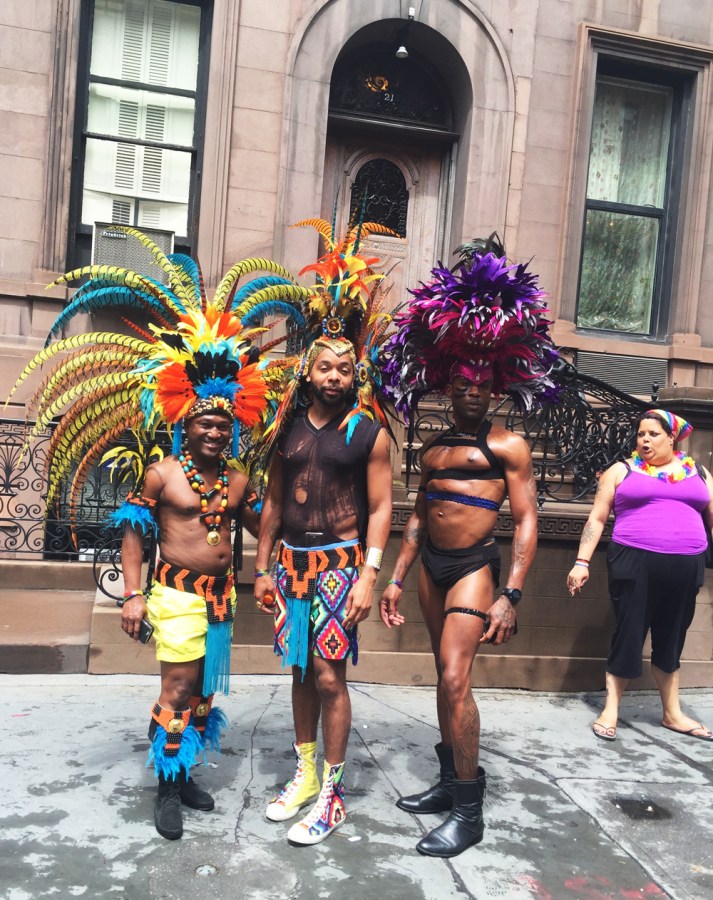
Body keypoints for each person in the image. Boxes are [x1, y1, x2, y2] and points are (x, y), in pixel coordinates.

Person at [5, 229, 311, 840]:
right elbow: (134, 534)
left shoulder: (239, 480)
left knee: (200, 694)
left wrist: (291, 511)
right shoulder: (163, 474)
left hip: (220, 600)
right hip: (174, 595)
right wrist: (133, 594)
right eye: (204, 423)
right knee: (177, 687)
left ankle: (183, 772)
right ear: (185, 425)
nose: (215, 432)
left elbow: (267, 527)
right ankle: (168, 790)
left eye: (223, 424)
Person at [379, 237, 557, 858]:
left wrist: (511, 595)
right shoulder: (432, 448)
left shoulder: (508, 446)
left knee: (457, 676)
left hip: (474, 568)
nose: (474, 390)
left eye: (484, 383)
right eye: (465, 382)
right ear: (450, 386)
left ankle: (469, 811)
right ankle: (448, 781)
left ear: (495, 389)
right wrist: (396, 577)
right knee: (443, 674)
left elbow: (527, 521)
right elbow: (418, 519)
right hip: (430, 568)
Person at [252, 216, 396, 846]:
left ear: (354, 374)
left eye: (344, 368)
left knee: (331, 676)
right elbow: (272, 501)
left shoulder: (368, 431)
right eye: (325, 368)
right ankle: (305, 773)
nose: (334, 377)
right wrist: (261, 567)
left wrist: (370, 575)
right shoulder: (285, 428)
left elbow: (382, 508)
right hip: (289, 566)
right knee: (299, 671)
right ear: (307, 372)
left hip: (340, 566)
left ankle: (333, 796)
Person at [567, 408, 713, 743]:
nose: (644, 440)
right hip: (634, 561)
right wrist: (581, 562)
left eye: (653, 434)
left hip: (686, 565)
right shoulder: (622, 470)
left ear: (672, 438)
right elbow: (597, 518)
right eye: (641, 434)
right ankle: (611, 709)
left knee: (672, 636)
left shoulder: (699, 472)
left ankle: (672, 713)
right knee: (629, 632)